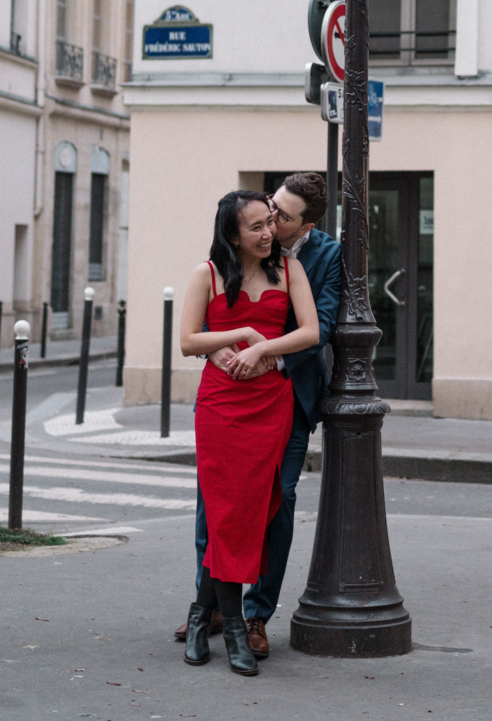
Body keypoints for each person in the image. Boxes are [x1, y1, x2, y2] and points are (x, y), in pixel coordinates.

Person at [174, 172, 342, 660]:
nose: (270, 223)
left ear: (302, 224)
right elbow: (197, 328)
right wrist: (229, 348)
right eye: (267, 212)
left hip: (282, 393)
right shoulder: (218, 259)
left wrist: (266, 353)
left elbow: (320, 328)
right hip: (225, 392)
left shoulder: (316, 259)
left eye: (279, 218)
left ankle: (252, 615)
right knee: (218, 506)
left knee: (276, 501)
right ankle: (212, 612)